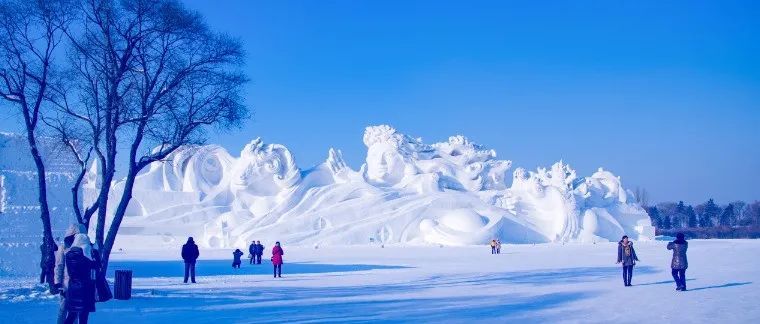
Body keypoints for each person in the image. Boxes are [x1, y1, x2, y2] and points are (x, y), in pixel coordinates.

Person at [62, 234, 98, 324]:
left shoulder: (68, 255)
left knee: (71, 315)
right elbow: (95, 268)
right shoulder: (86, 255)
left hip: (73, 288)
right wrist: (94, 253)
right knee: (83, 317)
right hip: (85, 290)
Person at [55, 224, 86, 324]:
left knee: (75, 310)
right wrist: (58, 283)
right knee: (63, 309)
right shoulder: (64, 246)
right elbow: (59, 265)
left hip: (79, 285)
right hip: (66, 285)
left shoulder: (84, 247)